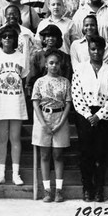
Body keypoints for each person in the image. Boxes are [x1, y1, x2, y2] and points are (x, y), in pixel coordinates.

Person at [72, 35, 108, 202]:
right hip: (84, 115)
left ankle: (99, 189)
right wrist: (88, 115)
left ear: (104, 50)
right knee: (86, 153)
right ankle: (87, 188)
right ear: (88, 50)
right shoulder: (80, 70)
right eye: (93, 49)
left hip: (103, 116)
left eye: (99, 49)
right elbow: (76, 95)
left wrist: (99, 116)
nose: (96, 52)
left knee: (101, 153)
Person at [0, 26, 29, 186]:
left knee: (15, 138)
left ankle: (16, 174)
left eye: (10, 36)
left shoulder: (21, 57)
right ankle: (1, 174)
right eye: (4, 36)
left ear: (15, 40)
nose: (7, 39)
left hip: (16, 101)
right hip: (0, 101)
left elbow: (23, 81)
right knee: (2, 139)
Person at [31, 49, 72, 202]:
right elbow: (35, 103)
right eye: (51, 63)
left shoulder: (65, 82)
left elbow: (68, 104)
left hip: (60, 117)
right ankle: (47, 190)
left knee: (58, 155)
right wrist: (43, 124)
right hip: (43, 118)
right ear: (46, 65)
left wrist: (61, 122)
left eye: (56, 63)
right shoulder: (39, 82)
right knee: (45, 154)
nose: (54, 66)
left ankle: (59, 190)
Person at [0, 5, 34, 74]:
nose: (12, 16)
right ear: (5, 16)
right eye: (9, 14)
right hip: (2, 69)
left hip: (23, 69)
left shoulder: (27, 33)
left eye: (15, 14)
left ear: (19, 15)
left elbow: (34, 51)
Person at [28, 24, 72, 93]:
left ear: (58, 39)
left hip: (60, 92)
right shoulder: (38, 56)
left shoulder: (65, 57)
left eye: (53, 36)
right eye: (48, 36)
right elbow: (32, 77)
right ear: (44, 39)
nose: (51, 38)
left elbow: (68, 76)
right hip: (41, 93)